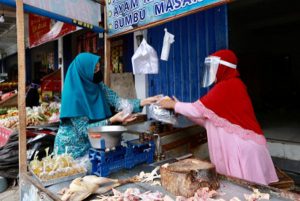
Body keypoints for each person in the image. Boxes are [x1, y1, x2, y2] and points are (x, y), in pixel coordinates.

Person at [159, 49, 278, 185]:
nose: (211, 72)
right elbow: (208, 119)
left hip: (243, 149)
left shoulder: (227, 86)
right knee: (243, 191)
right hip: (243, 147)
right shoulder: (231, 85)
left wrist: (173, 105)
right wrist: (180, 108)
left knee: (246, 191)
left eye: (214, 68)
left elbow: (197, 110)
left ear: (222, 68)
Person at [54, 52, 159, 159]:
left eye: (99, 68)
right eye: (94, 70)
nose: (98, 72)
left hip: (91, 145)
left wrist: (144, 101)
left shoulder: (98, 85)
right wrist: (111, 120)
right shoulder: (72, 95)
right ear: (84, 72)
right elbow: (84, 130)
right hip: (70, 151)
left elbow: (118, 101)